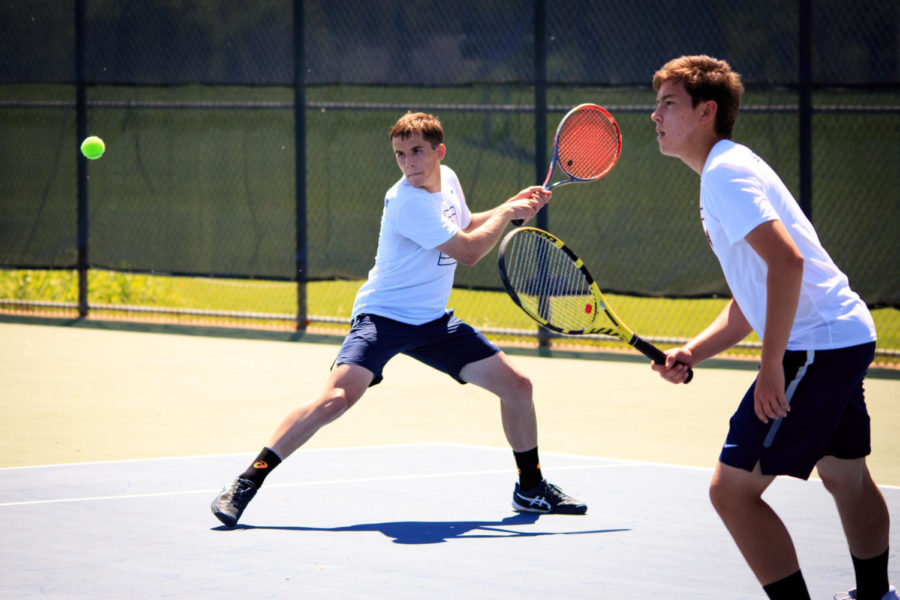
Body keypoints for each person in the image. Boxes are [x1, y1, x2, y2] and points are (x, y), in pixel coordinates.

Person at [211, 111, 587, 528]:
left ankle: (530, 488)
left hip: (434, 323)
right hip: (383, 318)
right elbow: (468, 251)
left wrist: (508, 206)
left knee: (518, 386)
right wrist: (506, 215)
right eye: (400, 154)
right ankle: (247, 482)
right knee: (335, 400)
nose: (409, 162)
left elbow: (463, 226)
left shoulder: (450, 181)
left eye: (417, 152)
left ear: (439, 152)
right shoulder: (406, 200)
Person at [649, 55, 894, 600]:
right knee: (845, 475)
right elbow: (749, 302)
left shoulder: (725, 175)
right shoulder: (729, 168)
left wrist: (770, 370)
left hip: (815, 346)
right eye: (656, 104)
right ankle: (878, 596)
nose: (655, 116)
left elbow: (787, 264)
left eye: (668, 104)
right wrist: (693, 350)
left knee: (731, 493)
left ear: (706, 111)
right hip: (842, 334)